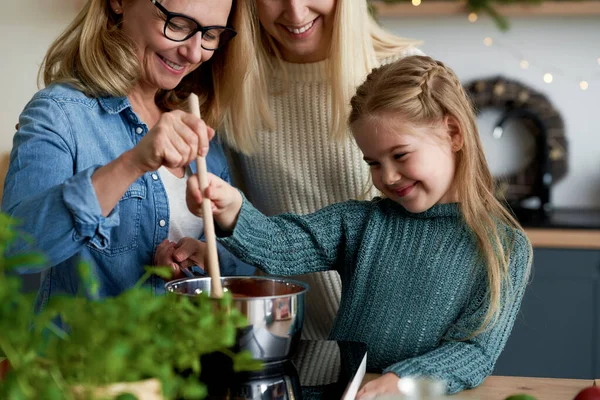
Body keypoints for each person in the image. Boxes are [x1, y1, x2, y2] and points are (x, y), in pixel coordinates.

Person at [179, 55, 532, 397]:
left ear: (453, 132)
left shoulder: (505, 246)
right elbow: (281, 243)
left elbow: (475, 351)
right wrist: (232, 208)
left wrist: (401, 381)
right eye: (373, 162)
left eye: (400, 155)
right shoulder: (361, 222)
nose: (388, 177)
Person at [168, 0, 424, 340]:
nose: (295, 12)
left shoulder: (402, 73)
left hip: (396, 347)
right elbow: (251, 223)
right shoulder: (230, 80)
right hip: (284, 340)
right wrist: (217, 252)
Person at [1, 0, 256, 312]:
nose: (193, 52)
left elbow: (240, 272)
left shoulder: (199, 124)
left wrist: (197, 264)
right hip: (83, 358)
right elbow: (15, 251)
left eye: (211, 34)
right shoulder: (60, 113)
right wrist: (131, 163)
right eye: (176, 25)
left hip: (180, 357)